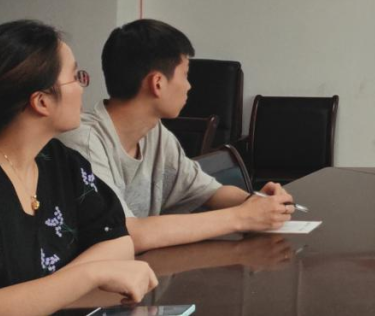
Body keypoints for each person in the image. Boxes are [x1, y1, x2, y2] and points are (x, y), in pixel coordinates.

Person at [61, 19, 294, 253]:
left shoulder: (155, 133)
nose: (189, 86)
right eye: (185, 75)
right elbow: (126, 234)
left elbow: (208, 190)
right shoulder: (83, 141)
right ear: (157, 83)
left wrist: (258, 203)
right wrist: (241, 217)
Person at [0, 20, 158, 314]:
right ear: (41, 101)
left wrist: (49, 292)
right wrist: (90, 275)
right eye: (76, 77)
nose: (82, 87)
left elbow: (118, 241)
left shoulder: (59, 161)